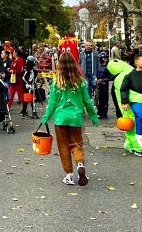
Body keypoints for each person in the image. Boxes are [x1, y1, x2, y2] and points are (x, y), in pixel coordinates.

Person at [39, 53, 99, 186]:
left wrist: (45, 118)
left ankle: (69, 175)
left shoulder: (57, 82)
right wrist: (93, 117)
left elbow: (52, 103)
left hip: (60, 119)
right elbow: (87, 101)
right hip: (76, 118)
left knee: (63, 146)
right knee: (77, 143)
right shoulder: (81, 81)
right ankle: (80, 165)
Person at [95, 51, 111, 119]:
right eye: (103, 58)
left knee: (104, 99)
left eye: (105, 58)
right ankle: (99, 112)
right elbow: (96, 74)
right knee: (98, 99)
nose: (104, 59)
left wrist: (104, 80)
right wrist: (97, 80)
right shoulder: (98, 67)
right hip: (99, 85)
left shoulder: (108, 67)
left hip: (104, 85)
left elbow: (111, 77)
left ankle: (104, 113)